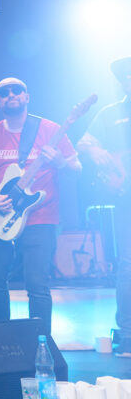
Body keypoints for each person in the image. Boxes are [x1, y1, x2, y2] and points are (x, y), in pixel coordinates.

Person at [0, 77, 81, 335]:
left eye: (17, 90)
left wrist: (60, 162)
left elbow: (77, 170)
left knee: (37, 284)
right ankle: (2, 339)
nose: (11, 94)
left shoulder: (51, 130)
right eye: (4, 93)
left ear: (27, 96)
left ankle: (41, 345)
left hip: (41, 216)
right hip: (2, 215)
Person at [77, 56, 131, 356]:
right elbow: (83, 143)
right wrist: (94, 151)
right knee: (128, 265)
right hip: (126, 199)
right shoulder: (111, 113)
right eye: (126, 76)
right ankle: (129, 334)